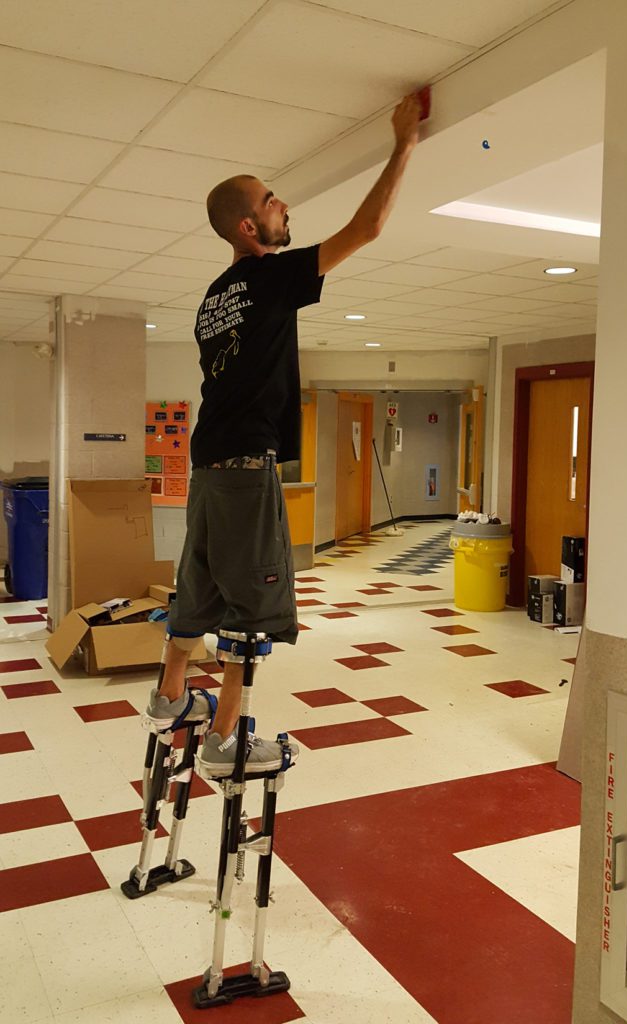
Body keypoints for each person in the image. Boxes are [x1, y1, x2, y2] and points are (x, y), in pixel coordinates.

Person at [146, 93, 422, 776]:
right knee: (251, 608)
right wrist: (403, 145)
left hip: (208, 467)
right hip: (243, 469)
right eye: (274, 202)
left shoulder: (215, 297)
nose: (285, 208)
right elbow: (367, 228)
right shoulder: (269, 278)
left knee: (197, 586)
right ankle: (224, 742)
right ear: (249, 225)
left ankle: (169, 698)